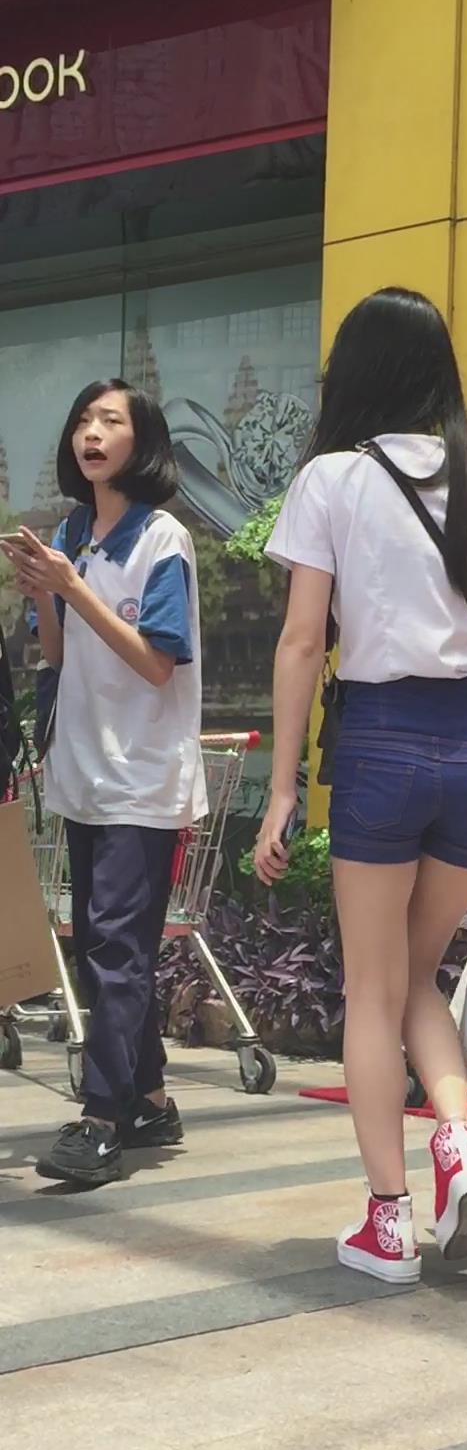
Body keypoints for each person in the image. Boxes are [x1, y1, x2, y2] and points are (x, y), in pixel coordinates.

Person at [254, 286, 467, 1286]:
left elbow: (303, 641)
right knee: (417, 976)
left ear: (352, 372)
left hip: (383, 744)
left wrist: (282, 789)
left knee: (371, 988)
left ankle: (387, 1224)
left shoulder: (331, 480)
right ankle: (460, 1145)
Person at [0, 379, 205, 1187]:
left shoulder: (164, 539)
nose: (91, 433)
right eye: (83, 419)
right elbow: (56, 656)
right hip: (84, 771)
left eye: (110, 421)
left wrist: (73, 587)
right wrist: (47, 596)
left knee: (115, 950)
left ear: (141, 441)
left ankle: (101, 1118)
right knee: (103, 949)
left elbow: (158, 662)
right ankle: (150, 1100)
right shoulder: (73, 533)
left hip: (141, 779)